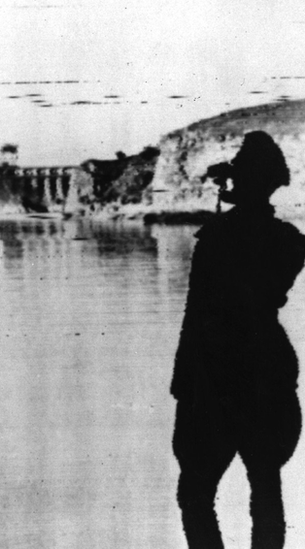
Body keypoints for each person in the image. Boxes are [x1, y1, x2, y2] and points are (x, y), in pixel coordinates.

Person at [172, 130, 305, 548]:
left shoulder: (215, 238)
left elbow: (197, 314)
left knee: (195, 494)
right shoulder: (291, 242)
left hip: (215, 370)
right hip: (268, 365)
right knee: (265, 486)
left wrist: (183, 382)